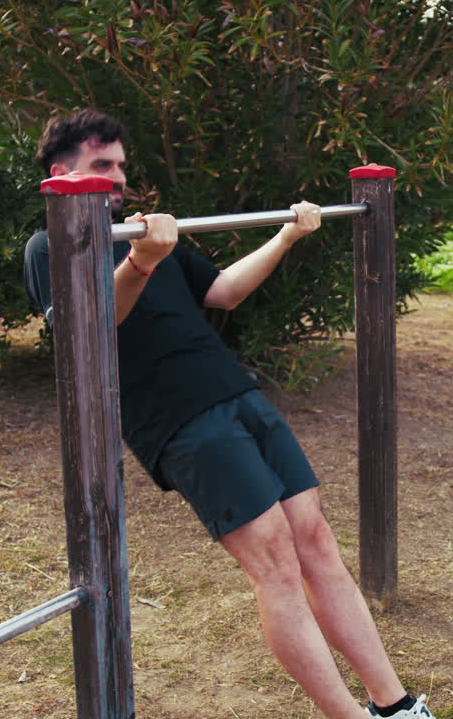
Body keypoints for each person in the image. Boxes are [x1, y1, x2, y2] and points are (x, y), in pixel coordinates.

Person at [23, 109, 432, 719]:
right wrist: (141, 263)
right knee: (275, 562)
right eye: (101, 166)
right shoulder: (51, 247)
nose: (116, 179)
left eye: (121, 167)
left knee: (316, 541)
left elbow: (224, 292)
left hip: (236, 394)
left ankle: (395, 706)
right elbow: (88, 329)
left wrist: (289, 234)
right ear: (61, 173)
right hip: (178, 421)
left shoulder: (146, 231)